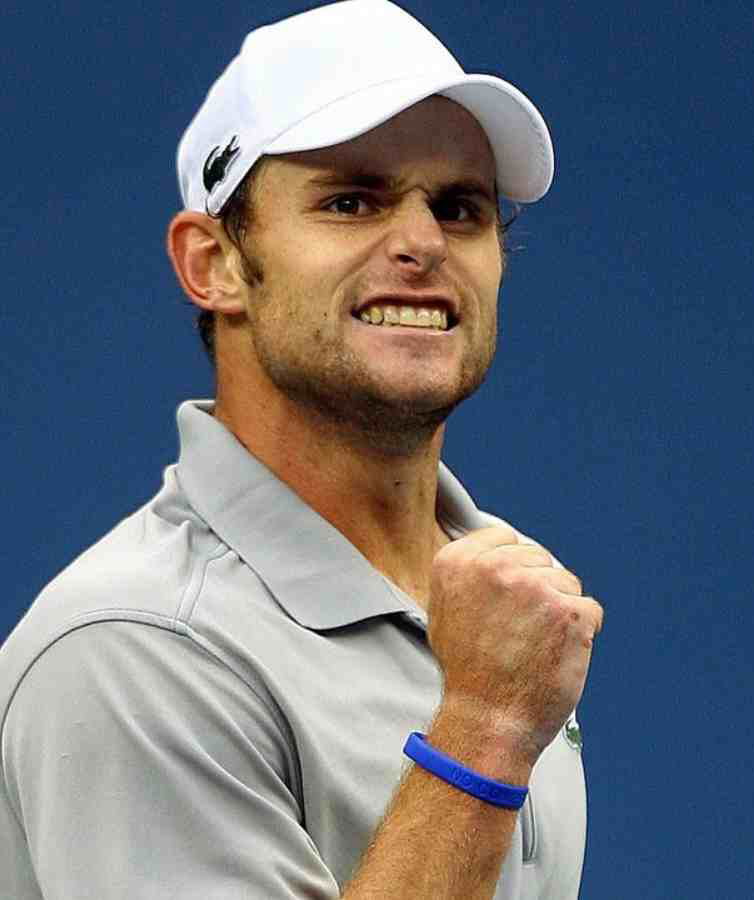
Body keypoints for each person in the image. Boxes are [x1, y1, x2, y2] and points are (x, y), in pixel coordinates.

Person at [0, 2, 603, 897]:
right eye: (351, 200)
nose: (422, 243)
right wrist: (482, 727)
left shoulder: (501, 604)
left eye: (461, 207)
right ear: (214, 264)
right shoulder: (135, 645)